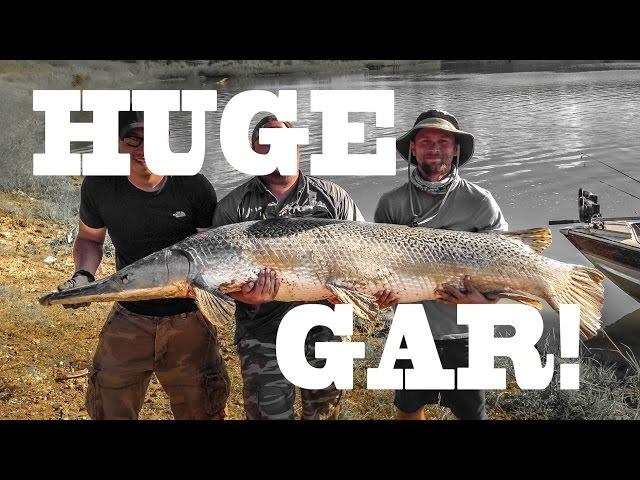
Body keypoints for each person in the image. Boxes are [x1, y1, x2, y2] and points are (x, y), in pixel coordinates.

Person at [57, 111, 230, 420]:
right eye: (132, 140)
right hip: (130, 312)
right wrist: (83, 275)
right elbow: (89, 239)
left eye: (152, 140)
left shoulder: (194, 185)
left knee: (203, 407)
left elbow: (212, 252)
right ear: (117, 145)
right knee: (107, 403)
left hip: (188, 317)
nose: (143, 149)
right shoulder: (99, 185)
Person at [212, 114, 364, 420]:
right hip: (262, 334)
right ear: (254, 151)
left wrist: (353, 294)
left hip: (326, 331)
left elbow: (364, 259)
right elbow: (216, 283)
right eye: (267, 142)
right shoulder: (233, 207)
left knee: (324, 416)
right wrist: (246, 296)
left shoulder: (333, 198)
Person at [374, 109, 508, 420]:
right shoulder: (390, 204)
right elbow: (378, 269)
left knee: (471, 416)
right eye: (426, 141)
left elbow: (505, 263)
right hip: (412, 332)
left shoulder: (480, 202)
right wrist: (381, 297)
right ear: (413, 149)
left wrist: (487, 303)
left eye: (444, 141)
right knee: (408, 411)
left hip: (466, 336)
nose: (435, 149)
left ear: (456, 149)